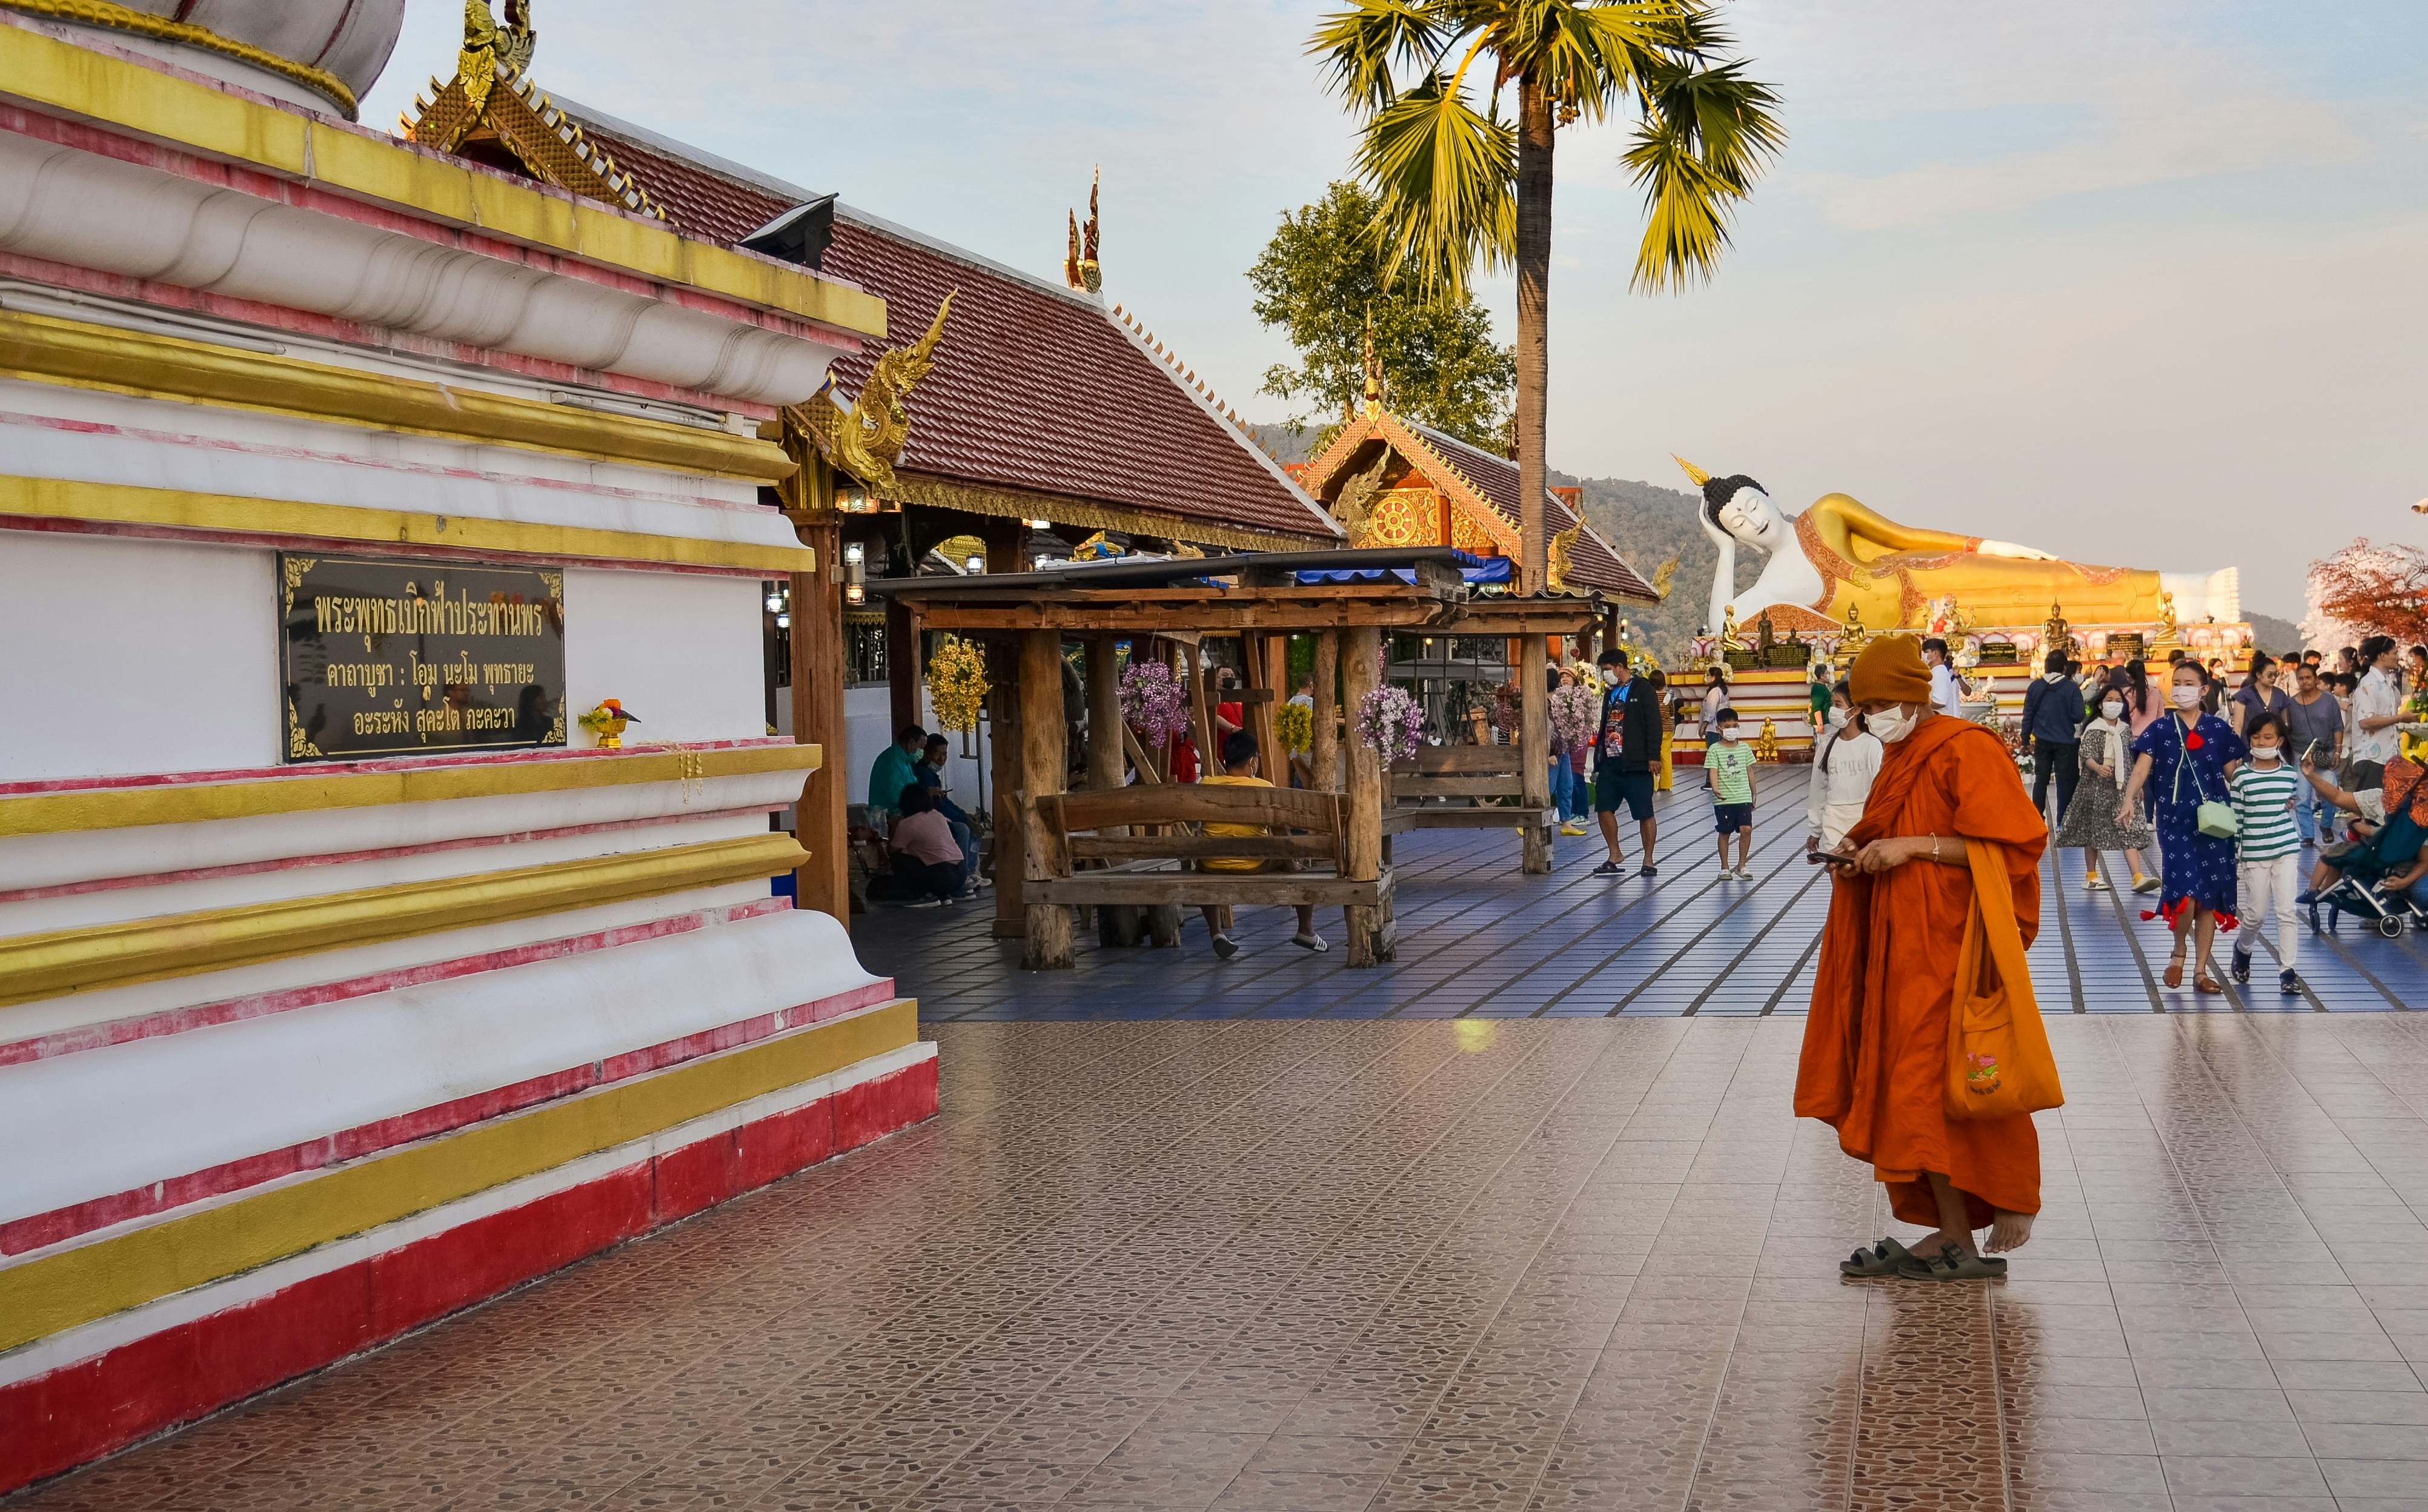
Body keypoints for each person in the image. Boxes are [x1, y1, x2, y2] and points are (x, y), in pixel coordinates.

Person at [1796, 634, 2049, 1281]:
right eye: (1864, 705)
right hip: (1902, 951)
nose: (1870, 716)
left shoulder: (1968, 750)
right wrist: (1859, 853)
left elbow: (2011, 848)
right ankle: (1953, 1232)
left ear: (1911, 698)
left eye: (1880, 702)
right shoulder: (1903, 753)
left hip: (1955, 952)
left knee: (1960, 1083)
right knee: (1910, 1092)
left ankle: (2006, 1203)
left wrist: (1915, 848)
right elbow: (1884, 827)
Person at [2118, 660, 2246, 993]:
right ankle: (2179, 952)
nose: (2182, 688)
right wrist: (2129, 798)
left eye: (2190, 683)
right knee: (2186, 894)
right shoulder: (2159, 730)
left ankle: (2201, 971)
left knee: (2210, 897)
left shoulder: (2219, 730)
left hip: (2215, 823)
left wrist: (2264, 790)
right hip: (2175, 823)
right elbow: (2141, 770)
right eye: (2177, 682)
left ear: (2205, 690)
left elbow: (2234, 773)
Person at [1197, 730, 1325, 960]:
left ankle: (1216, 932)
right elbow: (1279, 831)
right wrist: (1291, 864)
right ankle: (1305, 931)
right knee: (1298, 871)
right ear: (1252, 762)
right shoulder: (1264, 788)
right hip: (1252, 863)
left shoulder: (1206, 783)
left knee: (1202, 862)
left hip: (1210, 863)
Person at [2227, 712, 2304, 994]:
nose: (2261, 742)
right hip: (2254, 853)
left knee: (2287, 911)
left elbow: (2290, 803)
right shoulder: (2241, 778)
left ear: (2280, 740)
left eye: (2268, 737)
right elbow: (2237, 820)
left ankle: (2288, 972)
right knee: (2256, 914)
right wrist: (2235, 859)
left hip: (2286, 848)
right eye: (2256, 737)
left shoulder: (2289, 775)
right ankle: (2243, 948)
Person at [2054, 686, 2156, 892]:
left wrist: (2136, 787)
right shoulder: (2094, 729)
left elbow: (2130, 760)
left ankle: (2137, 877)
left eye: (2118, 700)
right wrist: (2098, 768)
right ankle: (2091, 875)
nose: (2114, 704)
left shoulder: (2125, 730)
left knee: (2127, 826)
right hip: (2096, 789)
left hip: (2121, 789)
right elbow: (2086, 754)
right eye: (2110, 699)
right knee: (2094, 832)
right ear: (2101, 704)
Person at [1592, 648, 1663, 878]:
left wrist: (1653, 756)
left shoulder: (1643, 690)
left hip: (1637, 763)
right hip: (1610, 763)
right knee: (1603, 808)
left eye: (1607, 670)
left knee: (1645, 812)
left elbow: (1654, 723)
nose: (1605, 675)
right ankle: (1615, 854)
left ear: (1619, 667)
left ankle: (1649, 859)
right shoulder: (1610, 693)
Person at [1803, 703, 1880, 857]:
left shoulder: (1871, 744)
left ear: (1856, 710)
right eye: (1831, 704)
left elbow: (1879, 788)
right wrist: (1816, 829)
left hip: (1863, 817)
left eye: (1838, 705)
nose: (1832, 710)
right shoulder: (1826, 745)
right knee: (1837, 872)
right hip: (1833, 818)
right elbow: (1818, 789)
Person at [2020, 650, 2085, 826]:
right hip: (2066, 742)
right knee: (2064, 782)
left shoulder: (2035, 687)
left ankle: (2037, 818)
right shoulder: (2072, 688)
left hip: (2042, 741)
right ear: (2065, 667)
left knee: (2041, 780)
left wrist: (2025, 740)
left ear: (2046, 667)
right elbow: (2079, 715)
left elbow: (2028, 715)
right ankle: (2062, 821)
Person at [2286, 660, 2345, 847]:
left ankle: (2326, 825)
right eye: (2301, 679)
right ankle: (2308, 835)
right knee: (2303, 797)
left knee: (2330, 793)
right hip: (2301, 755)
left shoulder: (2328, 700)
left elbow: (2338, 726)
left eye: (2308, 678)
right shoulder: (2291, 704)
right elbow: (2288, 731)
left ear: (2316, 678)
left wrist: (2338, 751)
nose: (2305, 681)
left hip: (2325, 753)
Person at [917, 734, 985, 884]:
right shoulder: (923, 774)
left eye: (945, 753)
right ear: (927, 754)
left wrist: (964, 814)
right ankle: (963, 875)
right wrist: (964, 820)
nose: (942, 758)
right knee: (964, 829)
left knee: (974, 828)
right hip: (931, 819)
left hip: (941, 816)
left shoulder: (932, 774)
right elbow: (939, 807)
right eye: (938, 754)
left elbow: (945, 801)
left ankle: (972, 872)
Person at [887, 782, 967, 905]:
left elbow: (893, 850)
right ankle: (943, 895)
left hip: (943, 876)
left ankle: (925, 896)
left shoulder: (908, 823)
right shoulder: (937, 815)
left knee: (899, 860)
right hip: (961, 873)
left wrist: (894, 827)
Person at [1705, 706, 1757, 880]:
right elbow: (1713, 770)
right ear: (1719, 729)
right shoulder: (1714, 750)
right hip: (1724, 799)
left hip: (1742, 795)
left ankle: (1742, 864)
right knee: (1725, 832)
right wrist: (1715, 787)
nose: (1732, 729)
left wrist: (1754, 792)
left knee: (1747, 829)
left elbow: (1749, 770)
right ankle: (1725, 867)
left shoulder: (1744, 748)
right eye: (1727, 726)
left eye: (1735, 725)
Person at [2350, 636, 2406, 786]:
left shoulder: (2387, 683)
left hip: (2388, 758)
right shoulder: (2368, 684)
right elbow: (2366, 721)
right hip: (2372, 759)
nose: (2398, 657)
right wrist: (2399, 718)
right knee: (2370, 807)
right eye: (2394, 653)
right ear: (2382, 656)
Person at [1548, 666, 1583, 837]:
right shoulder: (1545, 704)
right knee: (1548, 787)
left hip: (1563, 749)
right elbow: (1547, 730)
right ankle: (1532, 821)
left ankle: (1566, 821)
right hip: (1552, 752)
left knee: (1566, 785)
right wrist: (1550, 752)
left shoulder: (1558, 701)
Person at [867, 724, 926, 821]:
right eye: (921, 747)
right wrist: (922, 797)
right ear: (911, 742)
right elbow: (895, 795)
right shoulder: (891, 759)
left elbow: (912, 787)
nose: (922, 752)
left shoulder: (905, 760)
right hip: (888, 819)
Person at [2229, 652, 2290, 735]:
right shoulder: (2244, 695)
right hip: (2250, 744)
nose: (2274, 678)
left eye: (2276, 674)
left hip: (2274, 744)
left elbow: (2285, 723)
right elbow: (2238, 726)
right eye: (2270, 675)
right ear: (2258, 675)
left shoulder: (2280, 695)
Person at [1922, 638, 1963, 719]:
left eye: (1926, 652)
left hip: (1940, 722)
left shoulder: (1938, 672)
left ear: (1936, 653)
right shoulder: (1937, 671)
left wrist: (1920, 706)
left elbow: (1940, 702)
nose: (1923, 656)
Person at [1649, 669, 1675, 792]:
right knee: (1666, 756)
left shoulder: (1649, 695)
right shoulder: (1667, 696)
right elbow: (1672, 712)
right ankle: (1666, 784)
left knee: (1653, 755)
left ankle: (1653, 784)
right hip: (1667, 728)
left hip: (1653, 729)